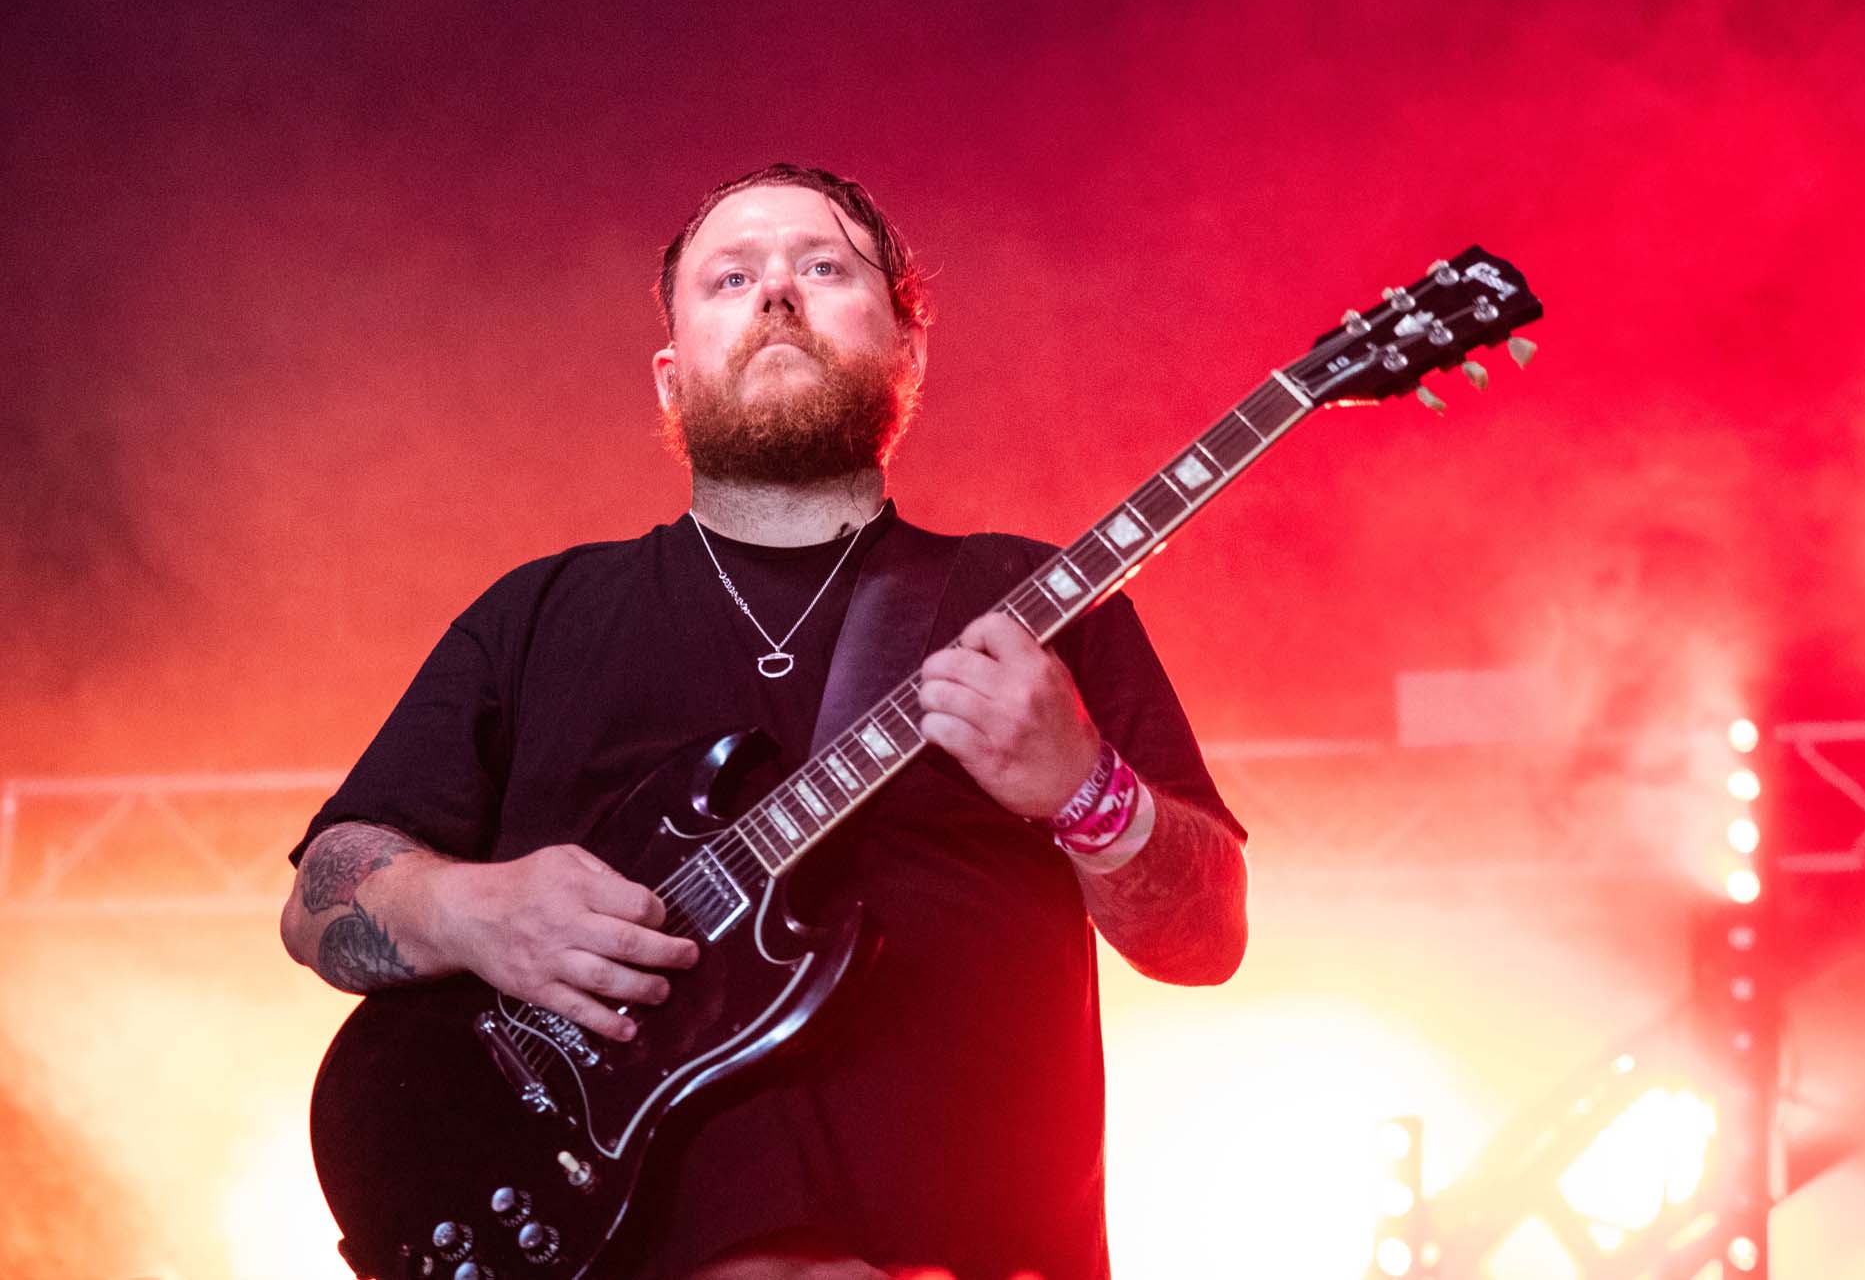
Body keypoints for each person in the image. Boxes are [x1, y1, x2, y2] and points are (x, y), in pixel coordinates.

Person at [279, 163, 1250, 1280]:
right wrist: (470, 908)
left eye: (825, 268)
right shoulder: (541, 614)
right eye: (730, 278)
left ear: (908, 352)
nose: (778, 292)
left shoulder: (1032, 607)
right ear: (669, 375)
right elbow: (318, 903)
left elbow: (1205, 938)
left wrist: (1086, 786)